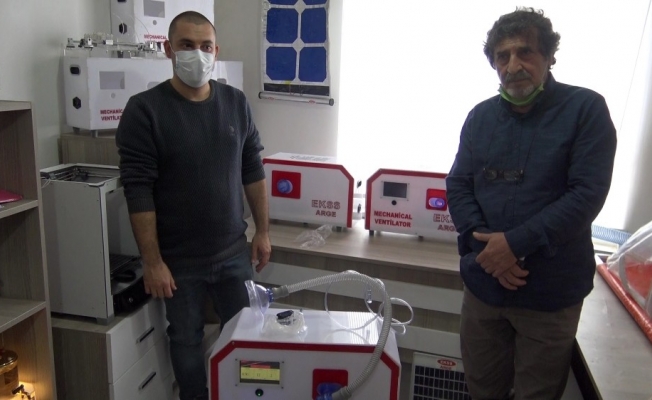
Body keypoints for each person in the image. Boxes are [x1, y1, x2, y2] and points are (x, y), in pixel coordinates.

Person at [446, 7, 617, 400]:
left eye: (525, 52)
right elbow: (458, 184)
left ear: (549, 56)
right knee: (482, 390)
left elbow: (587, 194)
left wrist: (514, 245)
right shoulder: (479, 118)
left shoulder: (585, 110)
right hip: (485, 287)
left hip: (549, 297)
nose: (513, 65)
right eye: (502, 56)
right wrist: (484, 245)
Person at [115, 11, 271, 400]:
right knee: (186, 339)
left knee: (246, 336)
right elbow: (138, 191)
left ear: (216, 51)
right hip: (178, 261)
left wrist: (263, 232)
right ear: (169, 49)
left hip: (233, 251)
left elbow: (253, 170)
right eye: (186, 45)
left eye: (205, 46)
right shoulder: (145, 110)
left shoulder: (235, 102)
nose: (197, 54)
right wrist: (152, 262)